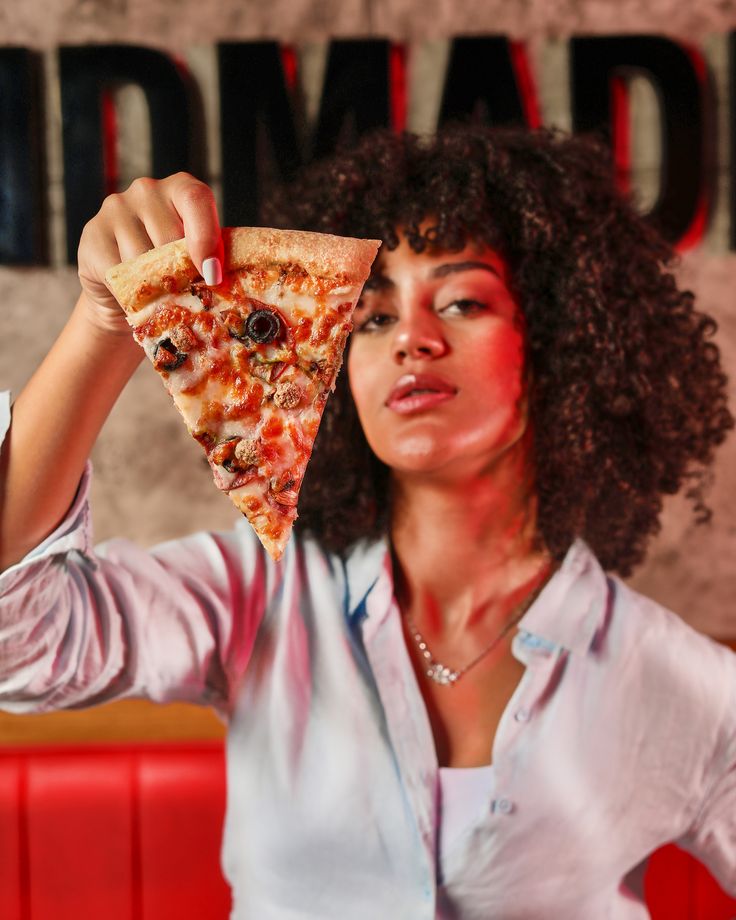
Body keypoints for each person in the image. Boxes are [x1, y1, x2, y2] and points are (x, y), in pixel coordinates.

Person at [1, 124, 735, 919]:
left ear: (560, 345)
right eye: (372, 319)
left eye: (462, 301)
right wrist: (110, 322)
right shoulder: (257, 594)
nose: (413, 340)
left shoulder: (683, 686)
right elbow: (19, 640)